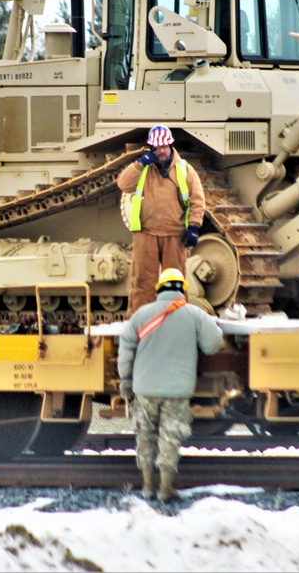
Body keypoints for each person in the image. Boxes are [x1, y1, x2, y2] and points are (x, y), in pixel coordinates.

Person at [117, 268, 223, 501]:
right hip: (177, 390)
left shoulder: (142, 314)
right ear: (183, 290)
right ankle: (165, 489)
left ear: (159, 291)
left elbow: (126, 347)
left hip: (145, 388)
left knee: (145, 436)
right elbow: (213, 344)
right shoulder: (195, 314)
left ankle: (147, 486)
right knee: (170, 437)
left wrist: (125, 379)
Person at [117, 124, 206, 315]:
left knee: (175, 284)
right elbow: (124, 184)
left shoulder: (185, 170)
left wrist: (193, 227)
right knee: (142, 282)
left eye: (164, 147)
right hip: (145, 233)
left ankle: (177, 319)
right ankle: (140, 322)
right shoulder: (144, 169)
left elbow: (197, 199)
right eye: (156, 148)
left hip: (174, 235)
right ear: (151, 149)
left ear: (171, 146)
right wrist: (140, 164)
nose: (161, 152)